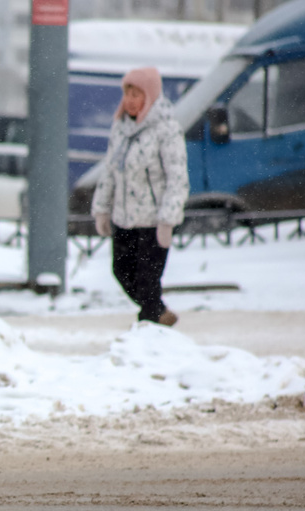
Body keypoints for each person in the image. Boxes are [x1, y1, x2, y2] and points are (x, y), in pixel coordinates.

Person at [92, 66, 189, 327]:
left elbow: (177, 178)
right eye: (127, 94)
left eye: (137, 95)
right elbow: (110, 171)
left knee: (147, 281)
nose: (130, 101)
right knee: (122, 272)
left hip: (152, 221)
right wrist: (102, 209)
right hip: (124, 219)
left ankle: (148, 334)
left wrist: (168, 220)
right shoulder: (121, 128)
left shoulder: (166, 129)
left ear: (150, 96)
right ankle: (157, 313)